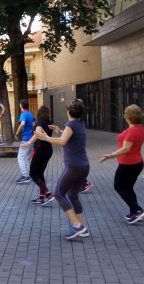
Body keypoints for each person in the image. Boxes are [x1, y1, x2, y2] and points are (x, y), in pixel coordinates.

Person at [35, 100, 91, 239]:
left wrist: (45, 137)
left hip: (74, 166)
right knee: (72, 195)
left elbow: (62, 142)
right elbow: (70, 137)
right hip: (84, 166)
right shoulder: (80, 124)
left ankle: (77, 226)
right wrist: (59, 131)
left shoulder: (70, 124)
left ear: (68, 112)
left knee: (59, 194)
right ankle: (82, 227)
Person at [100, 104, 144, 224]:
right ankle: (134, 211)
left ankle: (137, 210)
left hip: (128, 165)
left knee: (119, 186)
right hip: (137, 163)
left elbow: (126, 148)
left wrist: (110, 155)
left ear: (127, 117)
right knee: (128, 187)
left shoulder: (132, 131)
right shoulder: (140, 128)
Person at [20, 106, 54, 205]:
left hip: (41, 149)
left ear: (39, 113)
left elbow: (37, 134)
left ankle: (47, 193)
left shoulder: (40, 123)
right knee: (40, 173)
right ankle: (41, 197)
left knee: (33, 173)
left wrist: (28, 143)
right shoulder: (48, 122)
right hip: (48, 149)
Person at [15, 99, 35, 184]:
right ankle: (32, 175)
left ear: (21, 106)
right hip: (31, 139)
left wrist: (17, 132)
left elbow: (22, 123)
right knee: (27, 158)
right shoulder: (31, 114)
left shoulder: (23, 114)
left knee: (20, 157)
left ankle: (25, 176)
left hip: (26, 139)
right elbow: (34, 124)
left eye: (20, 104)